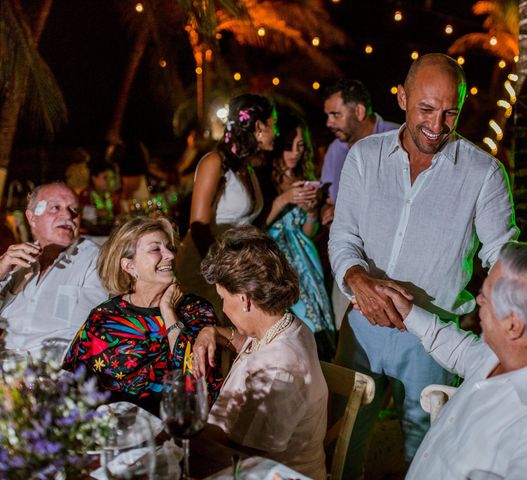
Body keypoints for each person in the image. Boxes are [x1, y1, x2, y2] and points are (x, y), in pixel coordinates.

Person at [328, 53, 519, 476]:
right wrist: (356, 277)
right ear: (401, 98)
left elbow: (502, 254)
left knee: (427, 455)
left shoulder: (484, 173)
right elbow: (344, 236)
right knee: (343, 441)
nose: (437, 125)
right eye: (426, 109)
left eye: (450, 112)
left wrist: (522, 309)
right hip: (361, 325)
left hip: (434, 337)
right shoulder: (365, 156)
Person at [376, 242, 527, 479]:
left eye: (485, 297)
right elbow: (462, 351)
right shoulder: (517, 353)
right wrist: (408, 313)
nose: (477, 301)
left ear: (513, 325)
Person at [194, 226, 327, 480]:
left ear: (244, 299)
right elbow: (251, 344)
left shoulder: (279, 370)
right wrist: (214, 331)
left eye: (223, 296)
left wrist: (179, 436)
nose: (222, 305)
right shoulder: (287, 325)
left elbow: (245, 459)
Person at [63, 217, 223, 415]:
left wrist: (169, 314)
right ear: (129, 266)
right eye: (156, 249)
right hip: (116, 429)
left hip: (177, 426)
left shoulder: (196, 310)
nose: (170, 256)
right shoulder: (104, 318)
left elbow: (198, 389)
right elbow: (72, 385)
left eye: (169, 247)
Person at [176, 94, 276, 313]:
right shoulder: (214, 162)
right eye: (273, 125)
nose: (275, 133)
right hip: (209, 268)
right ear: (258, 126)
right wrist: (223, 273)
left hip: (238, 268)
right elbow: (198, 226)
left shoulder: (246, 167)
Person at [0, 183, 107, 357]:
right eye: (55, 207)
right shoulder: (17, 260)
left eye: (74, 209)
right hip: (6, 367)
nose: (67, 215)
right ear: (32, 217)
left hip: (50, 374)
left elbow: (90, 331)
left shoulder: (94, 260)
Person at [265, 110, 336, 359]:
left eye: (300, 146)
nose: (296, 152)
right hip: (276, 266)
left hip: (306, 265)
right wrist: (284, 199)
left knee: (320, 335)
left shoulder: (304, 179)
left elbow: (308, 231)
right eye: (289, 146)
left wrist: (312, 211)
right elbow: (254, 226)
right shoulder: (263, 180)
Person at [320, 79, 399, 225]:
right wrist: (328, 210)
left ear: (359, 111)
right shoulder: (335, 150)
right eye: (328, 115)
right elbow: (328, 201)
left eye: (335, 115)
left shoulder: (397, 138)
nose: (328, 123)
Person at [79, 160, 120, 235]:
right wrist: (96, 212)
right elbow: (80, 212)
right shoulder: (86, 194)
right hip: (93, 235)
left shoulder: (110, 194)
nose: (109, 181)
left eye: (112, 178)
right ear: (94, 178)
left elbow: (117, 214)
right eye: (105, 178)